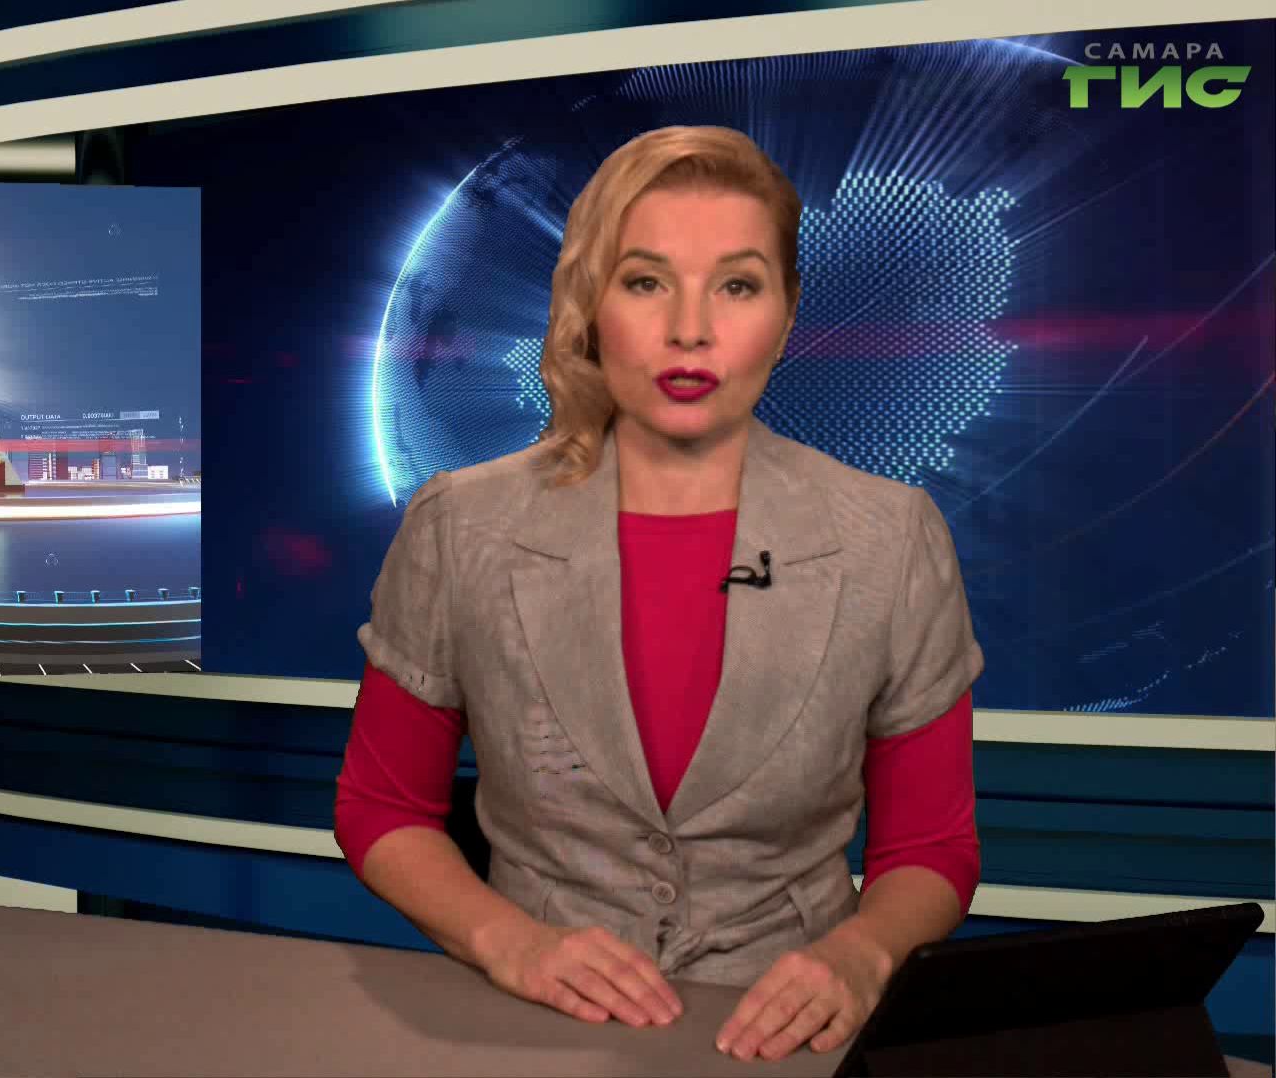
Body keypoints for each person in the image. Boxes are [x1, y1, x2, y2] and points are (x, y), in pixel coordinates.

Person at [335, 125, 984, 1066]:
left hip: (793, 1037)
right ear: (591, 305)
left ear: (788, 315)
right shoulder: (460, 525)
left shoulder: (891, 538)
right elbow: (380, 807)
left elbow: (932, 845)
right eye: (645, 282)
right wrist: (510, 943)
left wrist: (861, 957)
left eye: (737, 286)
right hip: (531, 1029)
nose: (691, 329)